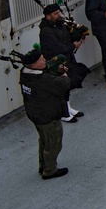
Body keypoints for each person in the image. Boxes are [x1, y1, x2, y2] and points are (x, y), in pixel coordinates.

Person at [19, 45, 71, 179]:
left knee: (43, 140)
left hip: (35, 114)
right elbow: (64, 84)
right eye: (42, 60)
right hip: (48, 116)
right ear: (34, 65)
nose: (45, 61)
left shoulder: (24, 73)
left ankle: (43, 165)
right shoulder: (43, 80)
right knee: (54, 143)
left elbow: (45, 73)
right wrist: (63, 74)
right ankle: (50, 170)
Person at [38, 3, 88, 121]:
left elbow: (67, 36)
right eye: (55, 14)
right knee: (60, 86)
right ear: (48, 16)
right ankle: (62, 112)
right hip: (56, 61)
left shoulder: (60, 25)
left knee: (67, 83)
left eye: (58, 12)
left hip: (67, 57)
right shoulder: (46, 31)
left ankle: (67, 107)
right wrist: (73, 46)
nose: (58, 15)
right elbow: (57, 47)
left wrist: (79, 35)